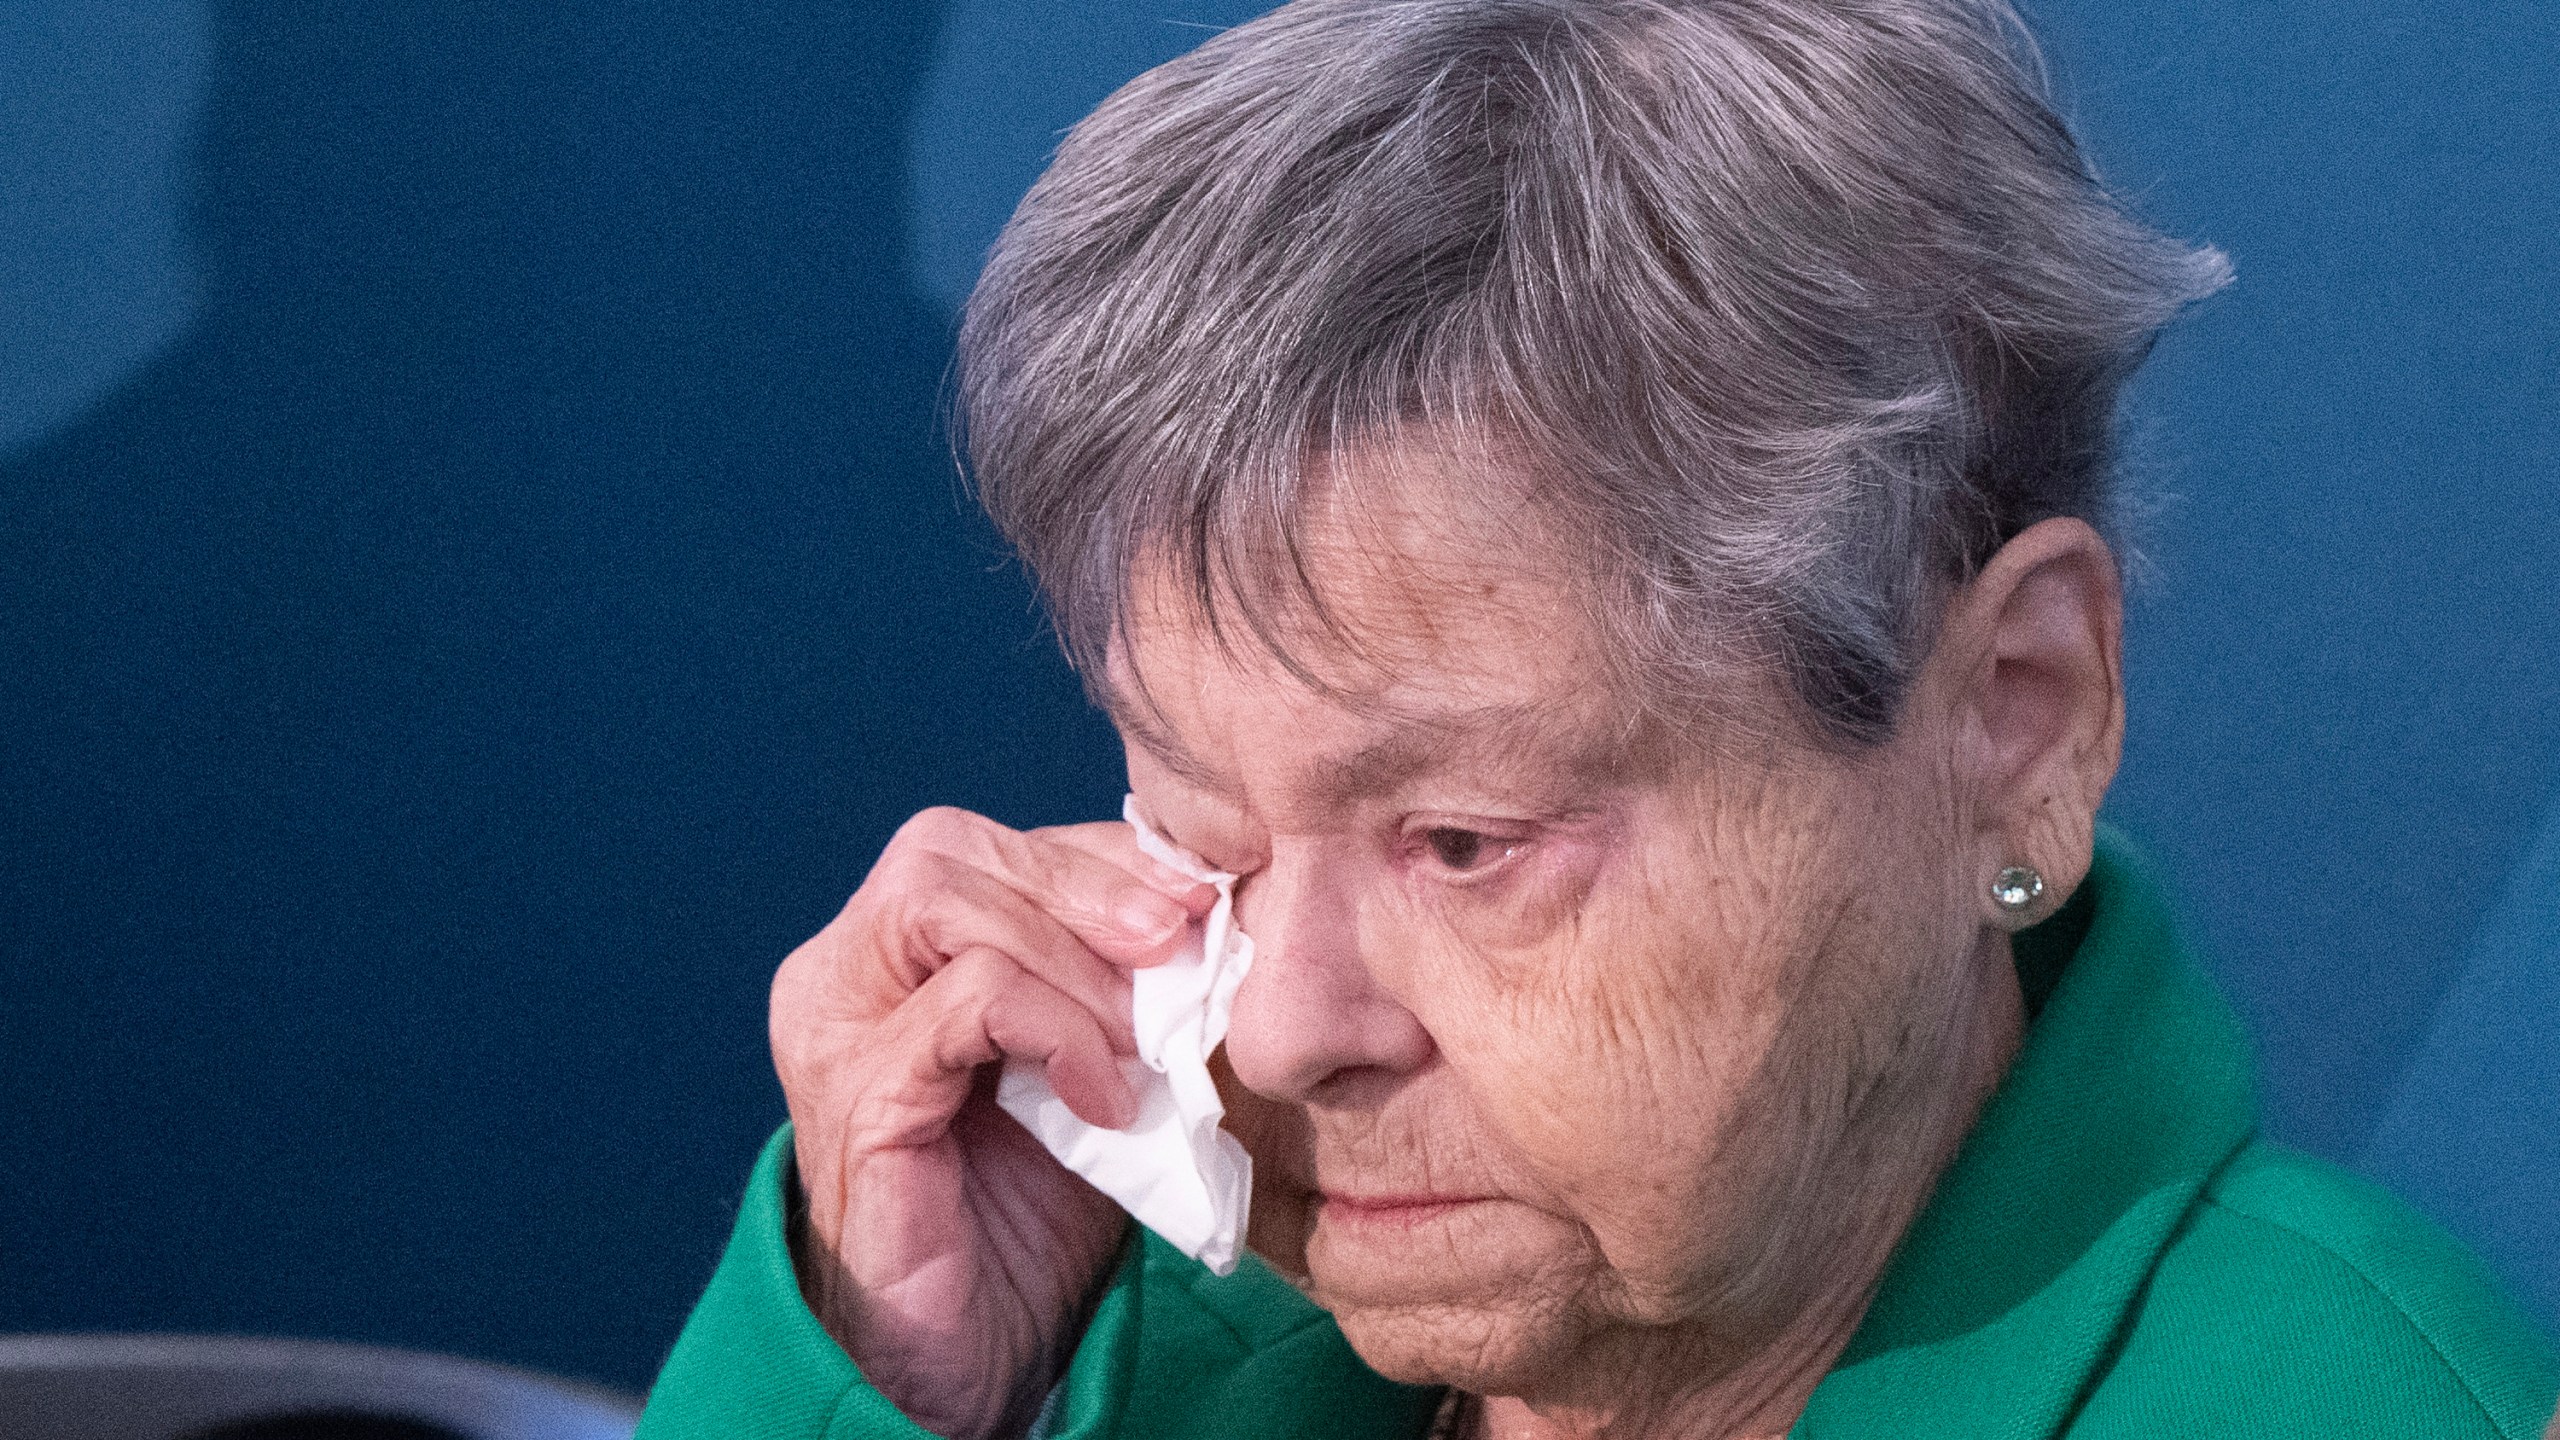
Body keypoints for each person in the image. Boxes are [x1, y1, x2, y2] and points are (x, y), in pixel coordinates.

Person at [636, 1, 2559, 1435]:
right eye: (1203, 827)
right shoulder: (1132, 1348)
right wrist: (878, 1378)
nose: (1290, 1030)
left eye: (1466, 842)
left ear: (2014, 718)